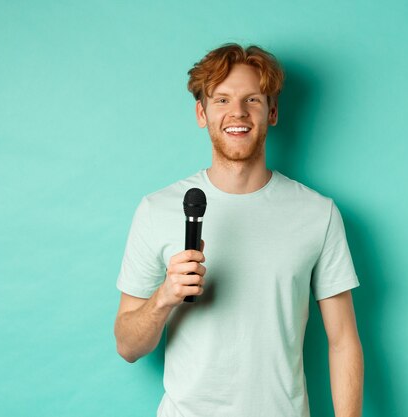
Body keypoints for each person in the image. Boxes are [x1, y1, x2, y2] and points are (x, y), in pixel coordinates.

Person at [114, 43, 363, 417]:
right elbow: (127, 346)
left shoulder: (317, 213)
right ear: (201, 112)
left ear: (273, 112)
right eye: (222, 100)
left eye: (252, 100)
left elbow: (343, 341)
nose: (238, 113)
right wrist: (165, 296)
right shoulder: (156, 209)